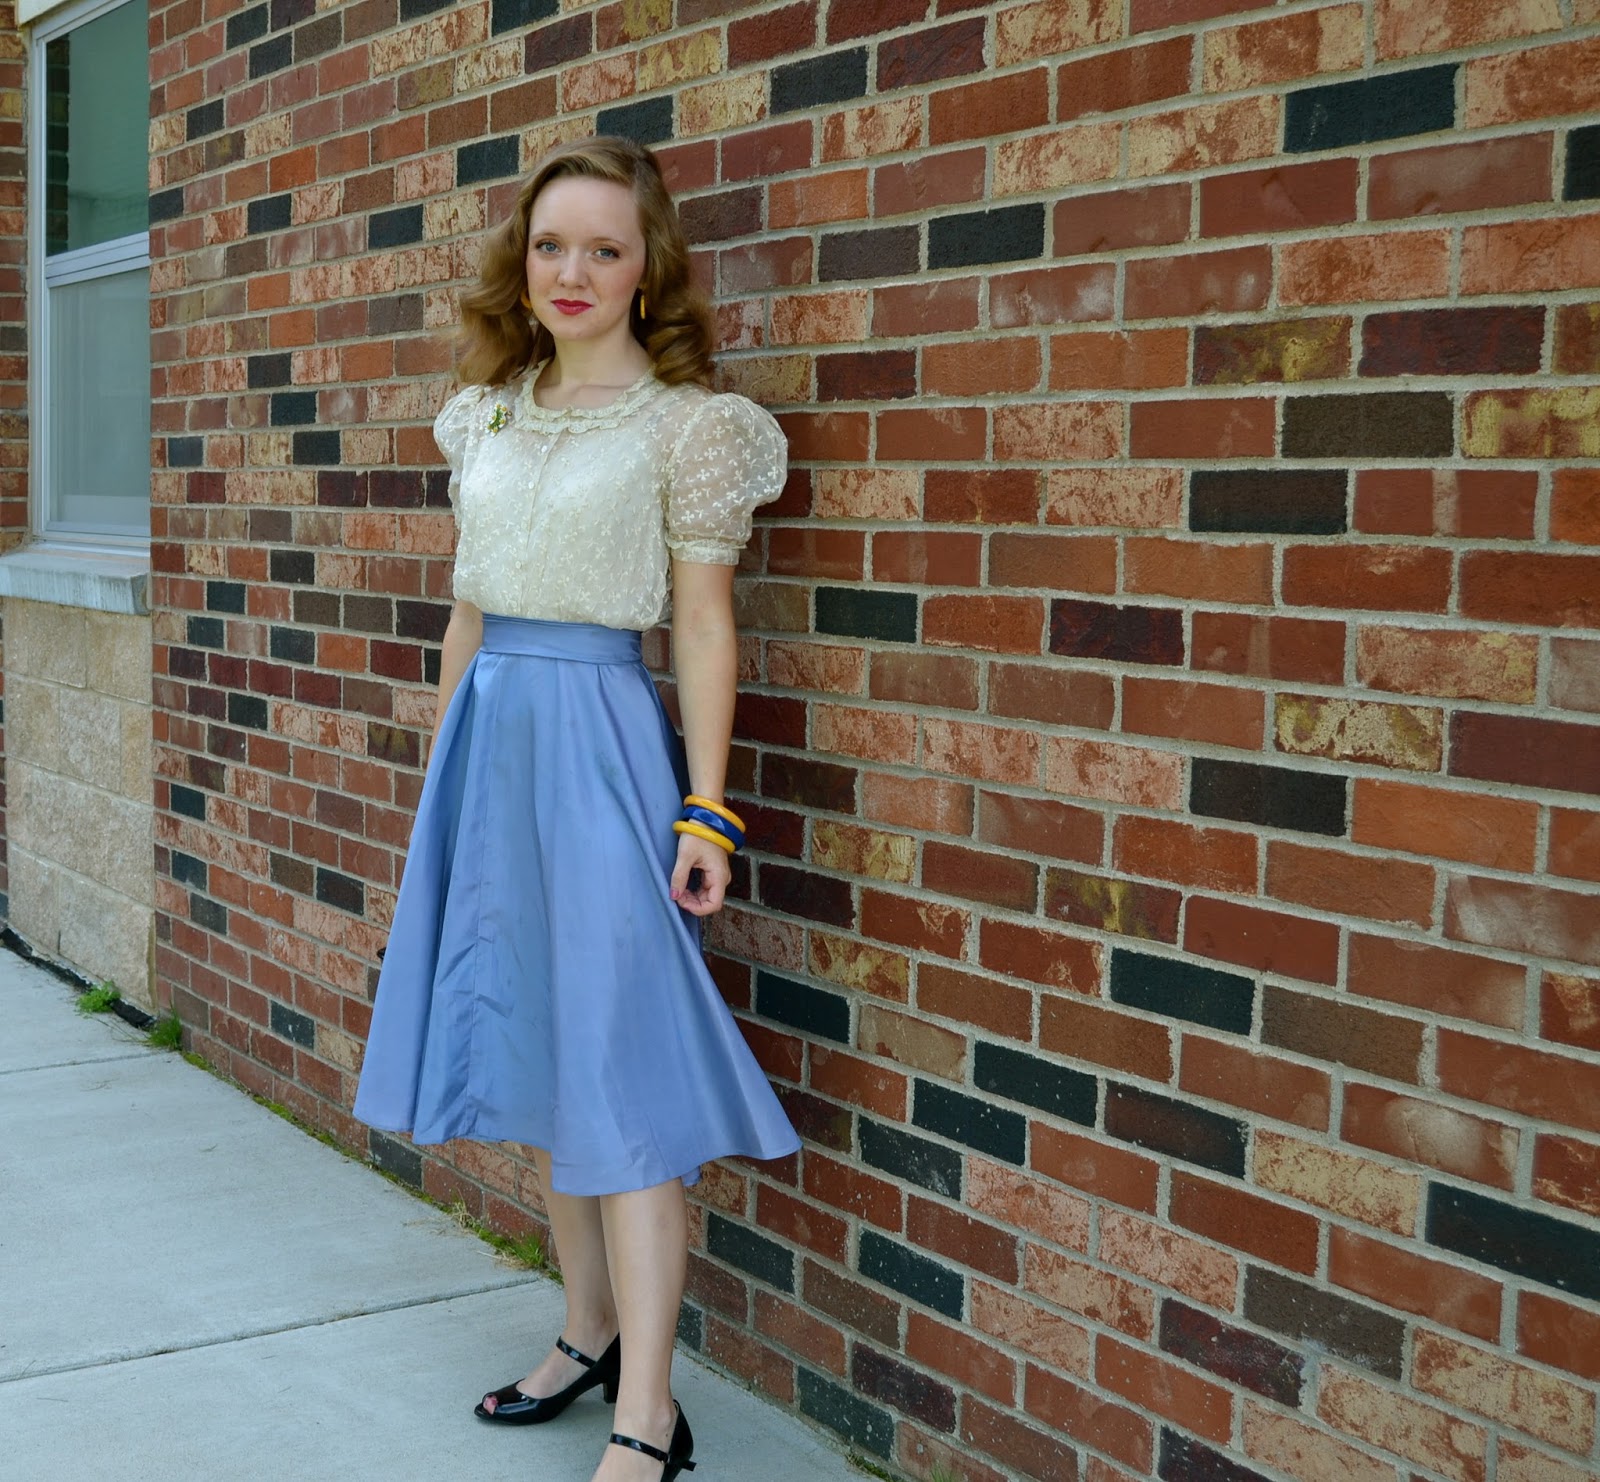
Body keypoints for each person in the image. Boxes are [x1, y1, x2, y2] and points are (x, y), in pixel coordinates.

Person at [352, 135, 801, 1482]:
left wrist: (705, 813)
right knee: (552, 1058)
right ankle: (588, 1330)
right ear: (522, 257)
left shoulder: (688, 426)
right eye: (552, 243)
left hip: (605, 745)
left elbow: (706, 626)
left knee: (626, 1079)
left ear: (648, 267)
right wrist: (445, 774)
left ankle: (647, 1416)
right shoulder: (483, 413)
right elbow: (468, 609)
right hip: (491, 748)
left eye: (605, 247)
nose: (574, 271)